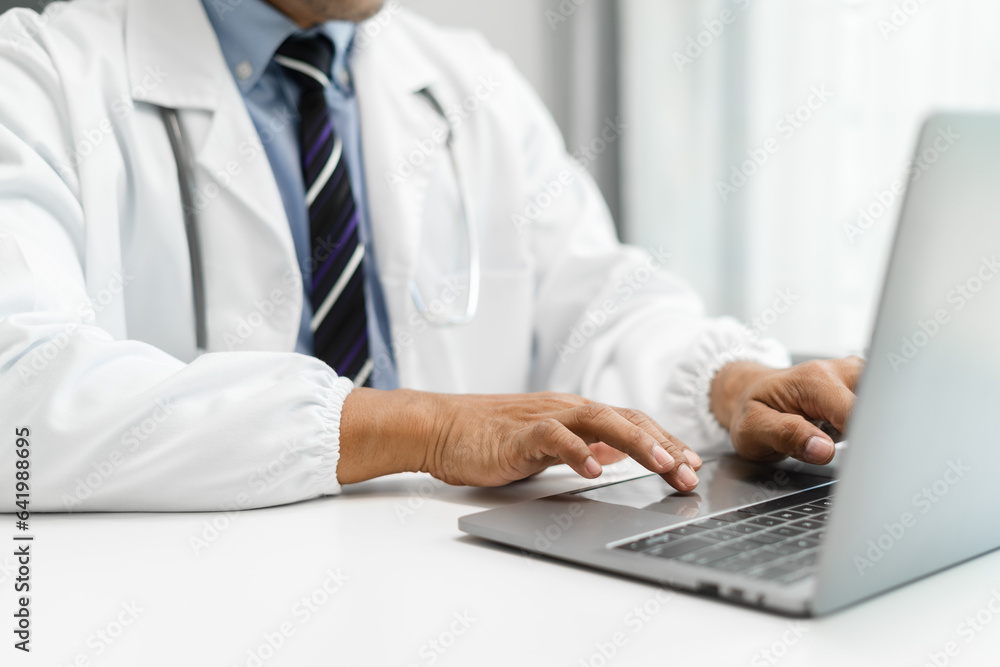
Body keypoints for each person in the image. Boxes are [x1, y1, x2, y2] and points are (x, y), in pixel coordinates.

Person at [0, 0, 861, 512]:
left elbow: (599, 303)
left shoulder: (467, 80)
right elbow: (18, 394)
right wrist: (425, 427)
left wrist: (728, 384)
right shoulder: (39, 78)